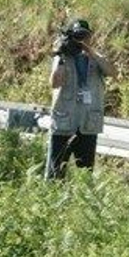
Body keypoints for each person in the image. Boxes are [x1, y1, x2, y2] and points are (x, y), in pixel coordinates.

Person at [45, 19, 112, 178]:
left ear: (91, 37)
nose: (82, 39)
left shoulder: (96, 59)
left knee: (86, 174)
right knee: (55, 174)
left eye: (85, 36)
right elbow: (54, 83)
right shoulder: (63, 57)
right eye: (78, 36)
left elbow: (113, 72)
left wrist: (91, 52)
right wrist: (60, 55)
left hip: (88, 123)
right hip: (64, 123)